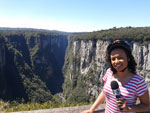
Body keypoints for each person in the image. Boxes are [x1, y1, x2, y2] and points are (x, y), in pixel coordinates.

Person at [82, 40, 149, 113]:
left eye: (120, 58)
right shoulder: (109, 72)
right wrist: (92, 109)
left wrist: (128, 108)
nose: (116, 61)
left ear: (128, 58)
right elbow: (104, 92)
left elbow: (146, 105)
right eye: (113, 59)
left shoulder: (138, 81)